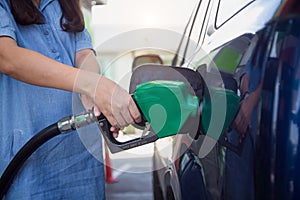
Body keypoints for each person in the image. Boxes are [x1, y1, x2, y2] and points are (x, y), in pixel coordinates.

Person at [0, 0, 141, 199]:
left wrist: (92, 92)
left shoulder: (65, 3)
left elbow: (84, 54)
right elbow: (7, 57)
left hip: (82, 156)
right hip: (28, 160)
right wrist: (92, 85)